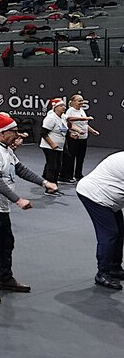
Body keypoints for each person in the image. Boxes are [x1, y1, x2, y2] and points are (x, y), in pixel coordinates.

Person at [0, 114, 57, 304]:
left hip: (0, 206)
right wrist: (18, 200)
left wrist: (44, 182)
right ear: (2, 133)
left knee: (6, 244)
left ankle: (5, 279)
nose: (17, 135)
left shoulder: (4, 147)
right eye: (14, 131)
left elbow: (20, 169)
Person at [76, 153, 124, 291]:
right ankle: (103, 273)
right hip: (95, 195)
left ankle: (114, 268)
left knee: (119, 230)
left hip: (110, 197)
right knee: (110, 233)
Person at [62, 93, 99, 183]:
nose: (81, 102)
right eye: (79, 101)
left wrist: (92, 131)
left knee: (81, 157)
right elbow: (68, 123)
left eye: (82, 101)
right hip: (74, 138)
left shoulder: (82, 110)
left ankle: (78, 174)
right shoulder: (70, 111)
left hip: (83, 137)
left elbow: (85, 123)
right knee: (71, 157)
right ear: (73, 102)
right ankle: (69, 176)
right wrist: (75, 131)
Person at [38, 99, 68, 189]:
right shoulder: (51, 118)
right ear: (55, 107)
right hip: (49, 147)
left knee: (58, 167)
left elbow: (63, 130)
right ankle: (50, 188)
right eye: (61, 106)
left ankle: (54, 186)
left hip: (59, 147)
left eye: (64, 106)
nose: (64, 107)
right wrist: (52, 144)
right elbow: (43, 133)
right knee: (52, 167)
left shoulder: (63, 118)